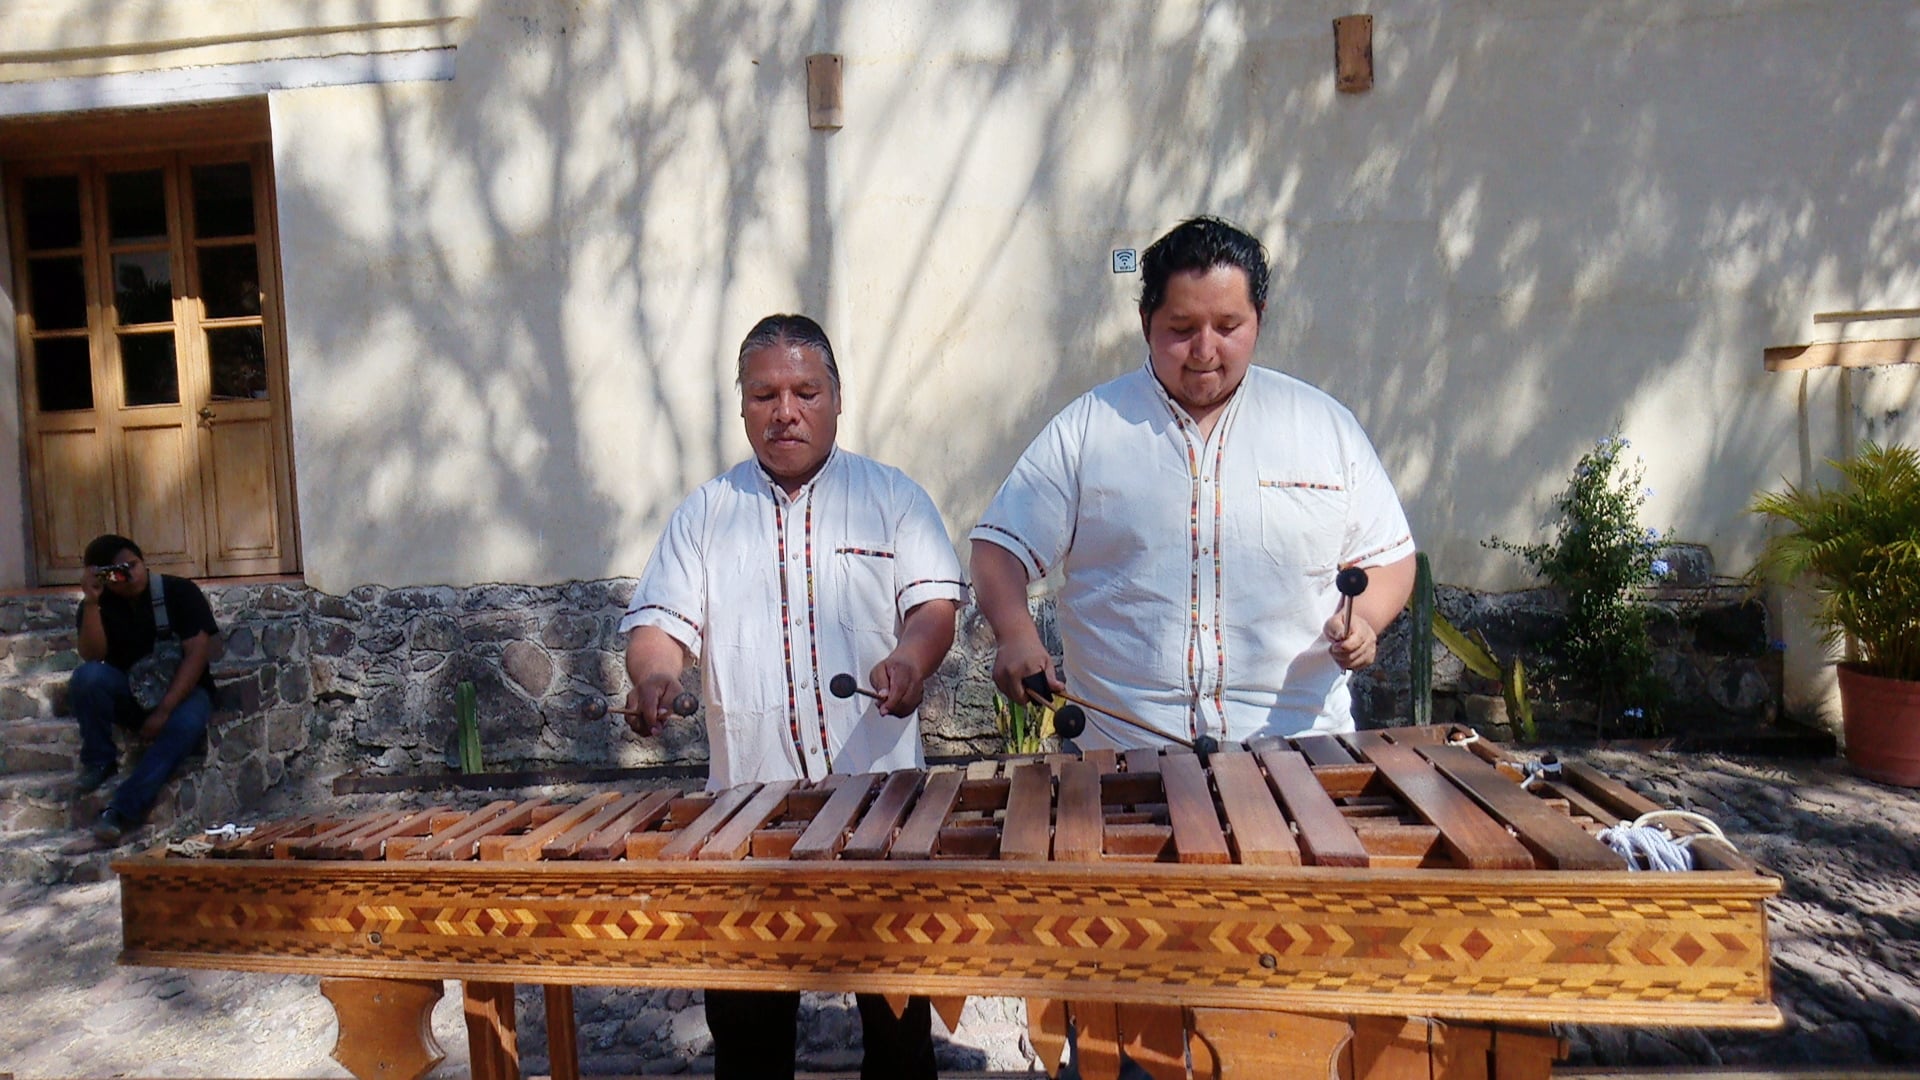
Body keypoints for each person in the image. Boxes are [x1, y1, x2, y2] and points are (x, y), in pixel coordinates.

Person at [617, 314, 965, 1080]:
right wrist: (654, 676)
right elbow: (657, 626)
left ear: (837, 399)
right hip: (745, 816)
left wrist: (909, 662)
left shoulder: (894, 498)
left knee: (901, 1038)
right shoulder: (705, 514)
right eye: (764, 394)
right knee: (747, 1039)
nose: (786, 411)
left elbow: (933, 609)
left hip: (881, 812)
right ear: (742, 407)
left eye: (805, 391)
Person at [971, 214, 1417, 749]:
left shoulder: (1324, 428)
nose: (1205, 351)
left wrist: (1364, 620)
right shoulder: (1089, 429)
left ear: (1260, 317)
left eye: (1229, 327)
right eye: (1181, 331)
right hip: (1124, 753)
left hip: (1300, 748)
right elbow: (999, 548)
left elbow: (1388, 554)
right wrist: (1016, 634)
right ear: (1145, 322)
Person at [70, 534, 219, 845]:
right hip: (132, 690)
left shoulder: (179, 592)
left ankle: (121, 811)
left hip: (184, 693)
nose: (130, 576)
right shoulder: (100, 604)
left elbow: (198, 652)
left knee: (184, 728)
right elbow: (93, 655)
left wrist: (165, 710)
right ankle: (99, 760)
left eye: (133, 566)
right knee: (87, 677)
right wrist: (93, 602)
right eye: (117, 572)